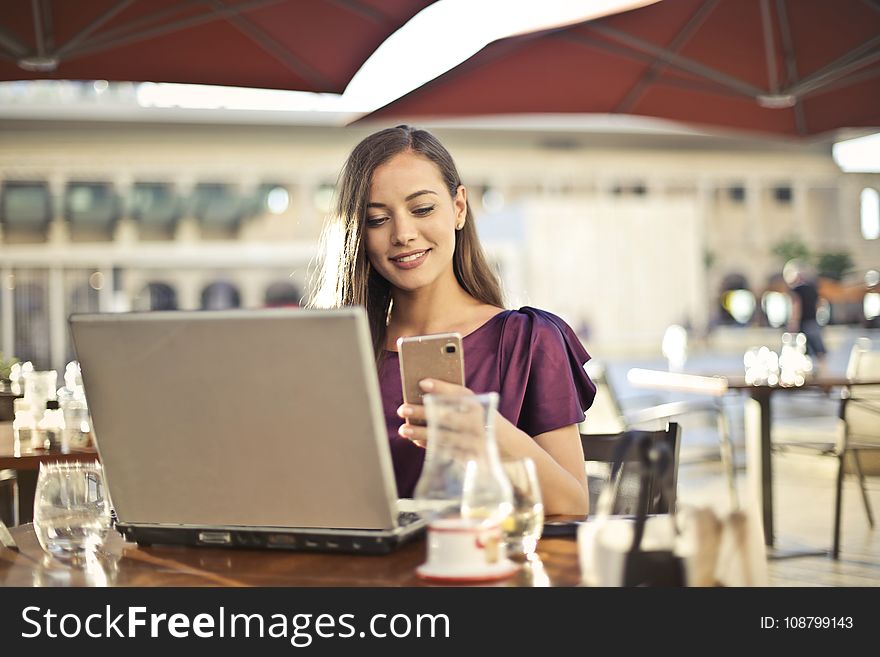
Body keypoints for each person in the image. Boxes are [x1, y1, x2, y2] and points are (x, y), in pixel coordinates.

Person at [310, 125, 595, 516]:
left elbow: (574, 503)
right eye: (377, 219)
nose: (404, 234)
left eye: (422, 209)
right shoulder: (336, 352)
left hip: (482, 566)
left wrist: (485, 431)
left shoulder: (528, 339)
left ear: (458, 207)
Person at [783, 258, 827, 371]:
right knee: (818, 349)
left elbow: (796, 306)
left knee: (800, 348)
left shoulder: (796, 290)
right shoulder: (812, 289)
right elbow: (819, 304)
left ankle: (802, 372)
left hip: (803, 323)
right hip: (813, 321)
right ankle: (823, 372)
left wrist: (793, 322)